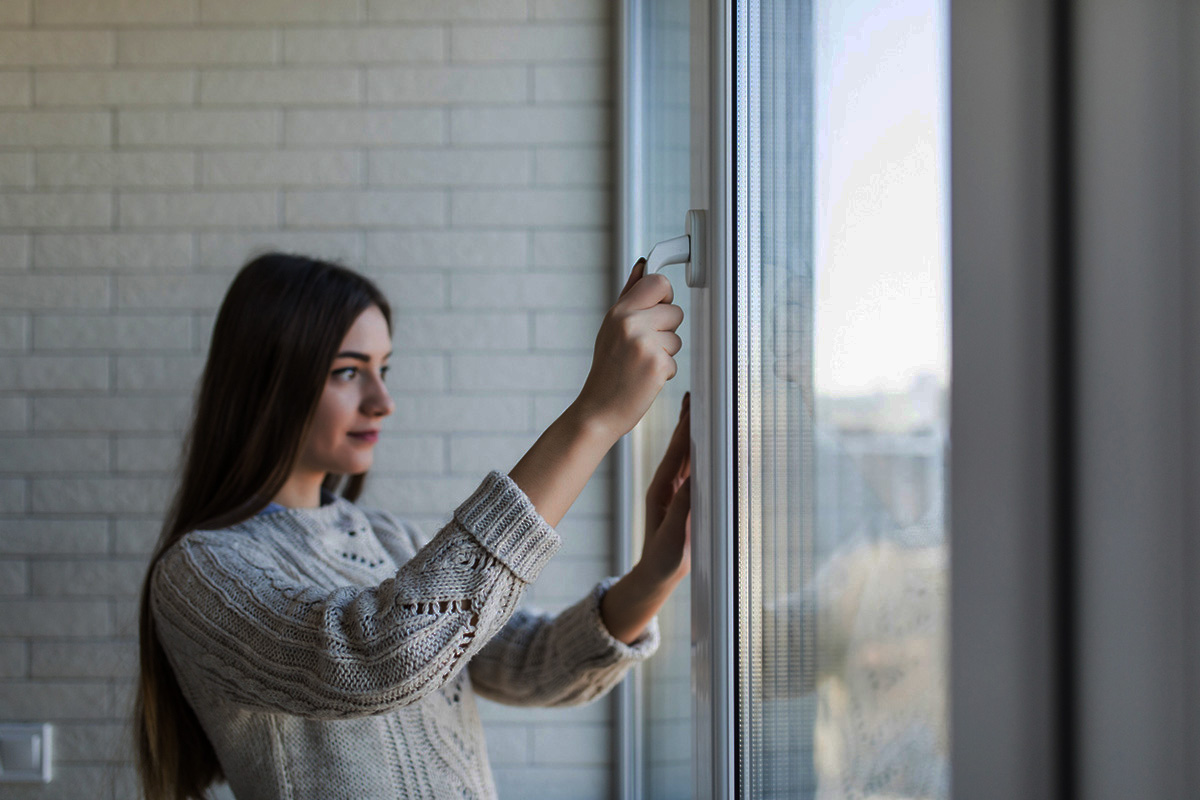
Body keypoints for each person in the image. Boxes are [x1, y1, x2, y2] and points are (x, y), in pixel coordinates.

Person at [130, 252, 692, 800]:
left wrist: (656, 574)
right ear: (266, 380)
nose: (383, 402)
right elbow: (374, 657)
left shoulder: (388, 537)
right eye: (348, 371)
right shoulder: (198, 574)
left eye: (384, 369)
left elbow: (529, 660)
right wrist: (592, 421)